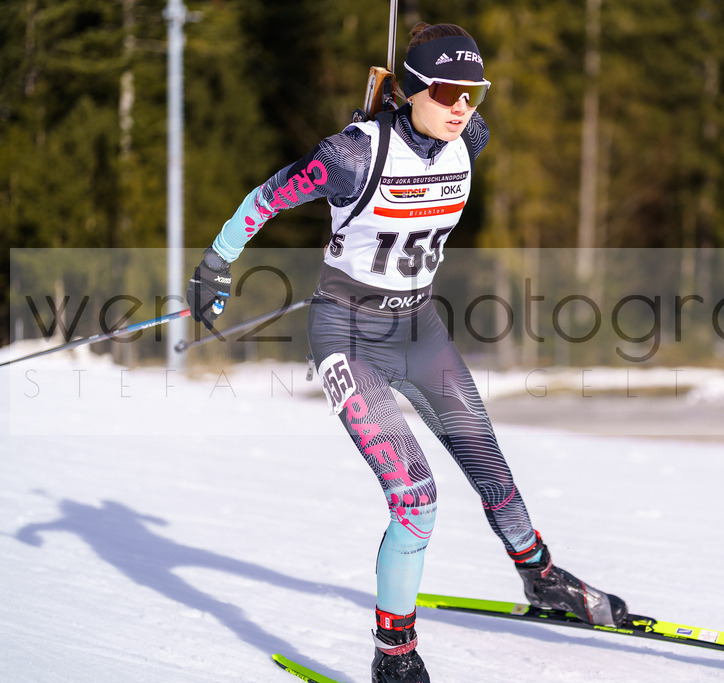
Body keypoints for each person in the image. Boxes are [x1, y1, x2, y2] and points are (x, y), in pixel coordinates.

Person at [186, 22, 627, 683]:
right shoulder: (351, 156)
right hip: (348, 338)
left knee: (490, 467)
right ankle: (393, 656)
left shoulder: (469, 138)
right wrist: (216, 261)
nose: (462, 107)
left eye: (474, 93)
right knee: (415, 498)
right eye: (447, 91)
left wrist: (404, 107)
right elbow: (267, 197)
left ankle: (541, 576)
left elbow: (441, 128)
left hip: (420, 331)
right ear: (413, 87)